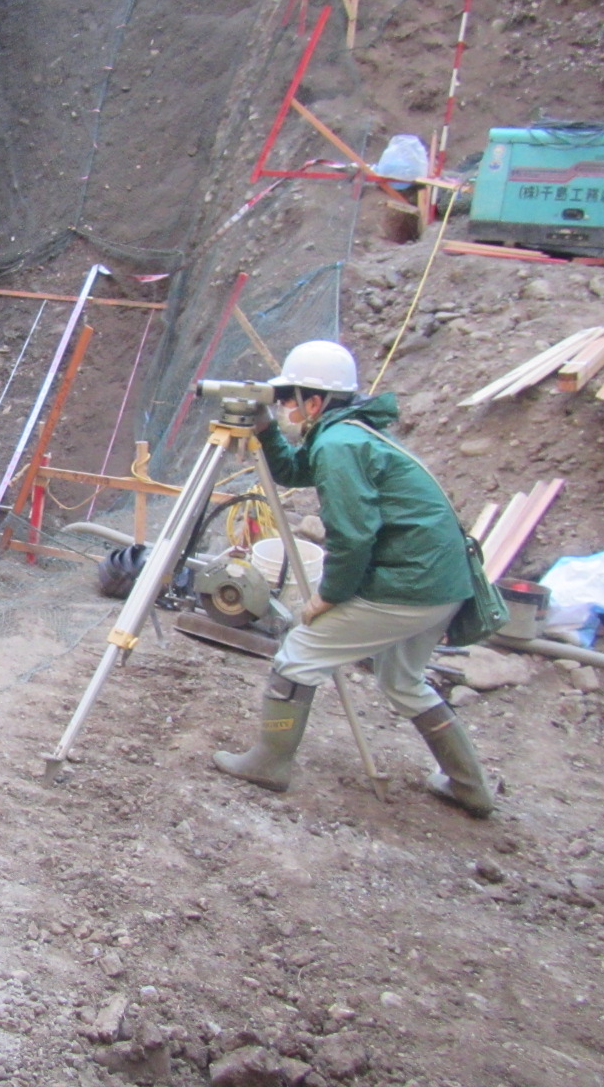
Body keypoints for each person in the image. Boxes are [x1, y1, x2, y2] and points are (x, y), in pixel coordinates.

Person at [211, 339, 495, 817]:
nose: (281, 408)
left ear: (314, 402)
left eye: (286, 400)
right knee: (403, 680)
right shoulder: (347, 434)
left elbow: (353, 533)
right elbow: (296, 470)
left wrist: (331, 595)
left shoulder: (340, 444)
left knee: (299, 654)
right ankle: (470, 786)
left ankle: (269, 763)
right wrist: (264, 430)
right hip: (442, 582)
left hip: (411, 584)